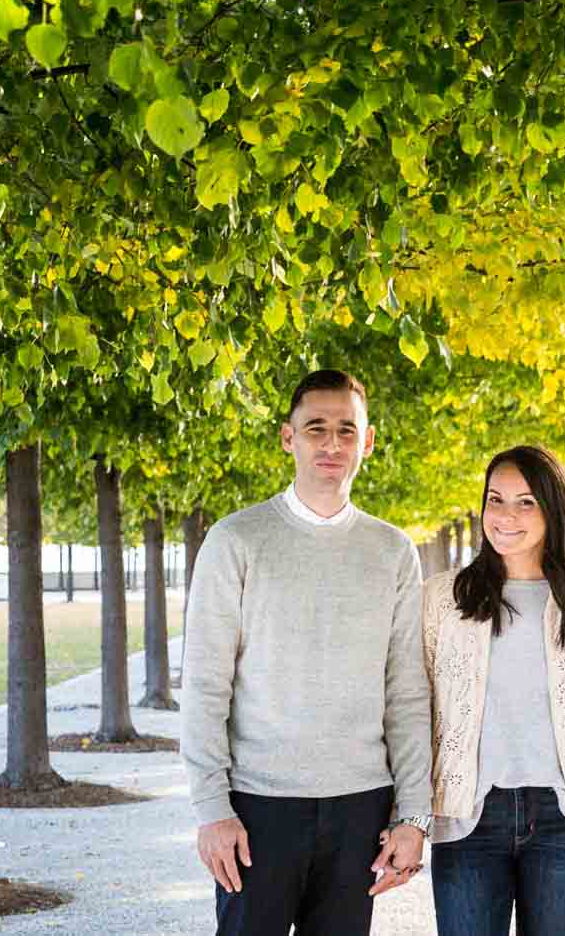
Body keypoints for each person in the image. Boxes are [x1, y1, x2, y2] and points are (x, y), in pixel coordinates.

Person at [181, 368, 434, 935]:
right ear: (287, 437)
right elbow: (203, 685)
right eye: (316, 427)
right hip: (257, 807)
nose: (332, 442)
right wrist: (211, 809)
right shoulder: (235, 541)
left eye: (347, 430)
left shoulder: (393, 551)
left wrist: (414, 815)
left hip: (361, 808)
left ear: (367, 442)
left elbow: (407, 693)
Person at [421, 444, 565, 935]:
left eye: (526, 502)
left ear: (553, 510)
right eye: (495, 499)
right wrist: (407, 816)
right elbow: (413, 712)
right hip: (467, 820)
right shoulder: (444, 599)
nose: (506, 515)